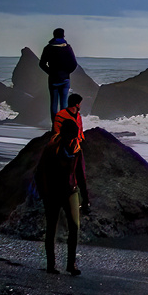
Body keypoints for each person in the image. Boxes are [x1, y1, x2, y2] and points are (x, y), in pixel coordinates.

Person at [35, 92, 91, 276]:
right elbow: (40, 171)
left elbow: (81, 175)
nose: (72, 141)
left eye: (74, 138)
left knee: (74, 227)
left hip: (70, 191)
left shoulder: (77, 149)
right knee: (51, 228)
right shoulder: (52, 148)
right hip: (53, 193)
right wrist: (44, 192)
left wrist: (86, 198)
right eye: (70, 137)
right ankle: (51, 265)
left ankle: (71, 264)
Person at [39, 27, 81, 117]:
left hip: (53, 79)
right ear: (63, 36)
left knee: (53, 103)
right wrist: (67, 72)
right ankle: (63, 124)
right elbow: (74, 64)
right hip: (65, 78)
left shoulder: (48, 48)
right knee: (64, 103)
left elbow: (42, 64)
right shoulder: (68, 48)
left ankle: (55, 125)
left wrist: (50, 72)